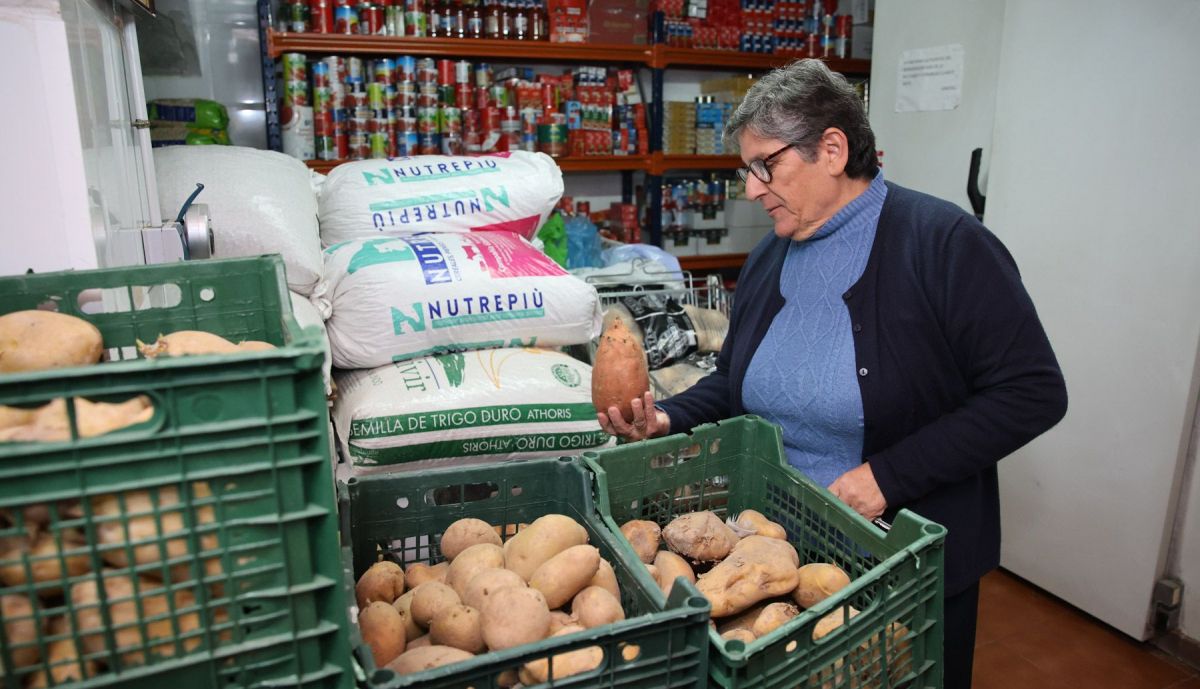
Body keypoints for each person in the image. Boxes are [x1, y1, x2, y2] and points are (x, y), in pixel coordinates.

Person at [597, 58, 1067, 689]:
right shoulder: (770, 255)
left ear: (833, 149)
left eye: (767, 166)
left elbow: (1033, 391)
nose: (753, 189)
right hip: (785, 551)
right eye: (746, 171)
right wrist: (669, 414)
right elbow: (737, 379)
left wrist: (890, 475)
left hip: (900, 564)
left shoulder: (943, 243)